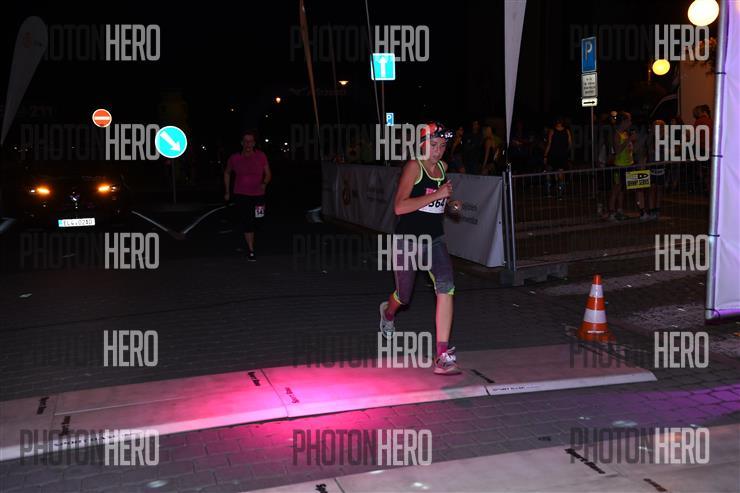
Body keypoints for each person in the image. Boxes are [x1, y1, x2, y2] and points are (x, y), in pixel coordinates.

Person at [379, 122, 462, 375]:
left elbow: (440, 202)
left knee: (446, 286)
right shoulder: (414, 167)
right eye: (433, 145)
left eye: (442, 146)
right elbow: (399, 207)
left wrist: (451, 205)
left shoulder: (442, 167)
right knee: (404, 296)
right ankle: (387, 313)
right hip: (407, 241)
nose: (438, 151)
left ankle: (442, 355)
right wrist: (436, 195)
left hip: (434, 239)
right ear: (423, 144)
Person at [224, 130, 272, 261]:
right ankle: (251, 250)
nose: (248, 144)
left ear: (254, 143)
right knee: (247, 222)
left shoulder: (261, 156)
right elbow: (227, 173)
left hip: (259, 195)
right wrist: (227, 191)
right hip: (241, 194)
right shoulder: (234, 158)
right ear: (242, 143)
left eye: (250, 141)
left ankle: (252, 238)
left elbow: (268, 174)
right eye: (245, 141)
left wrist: (264, 183)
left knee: (259, 220)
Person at [606, 112, 637, 221]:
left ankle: (620, 210)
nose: (631, 123)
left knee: (622, 190)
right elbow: (618, 150)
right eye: (629, 120)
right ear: (624, 121)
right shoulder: (617, 134)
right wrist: (629, 140)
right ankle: (611, 212)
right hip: (619, 166)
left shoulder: (625, 133)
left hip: (628, 164)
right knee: (616, 189)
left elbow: (629, 148)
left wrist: (632, 141)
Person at [543, 118, 572, 198]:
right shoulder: (567, 131)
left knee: (549, 172)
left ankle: (549, 192)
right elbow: (570, 144)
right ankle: (560, 193)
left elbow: (549, 144)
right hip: (562, 155)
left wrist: (545, 155)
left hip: (553, 154)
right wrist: (565, 151)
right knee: (560, 173)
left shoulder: (552, 131)